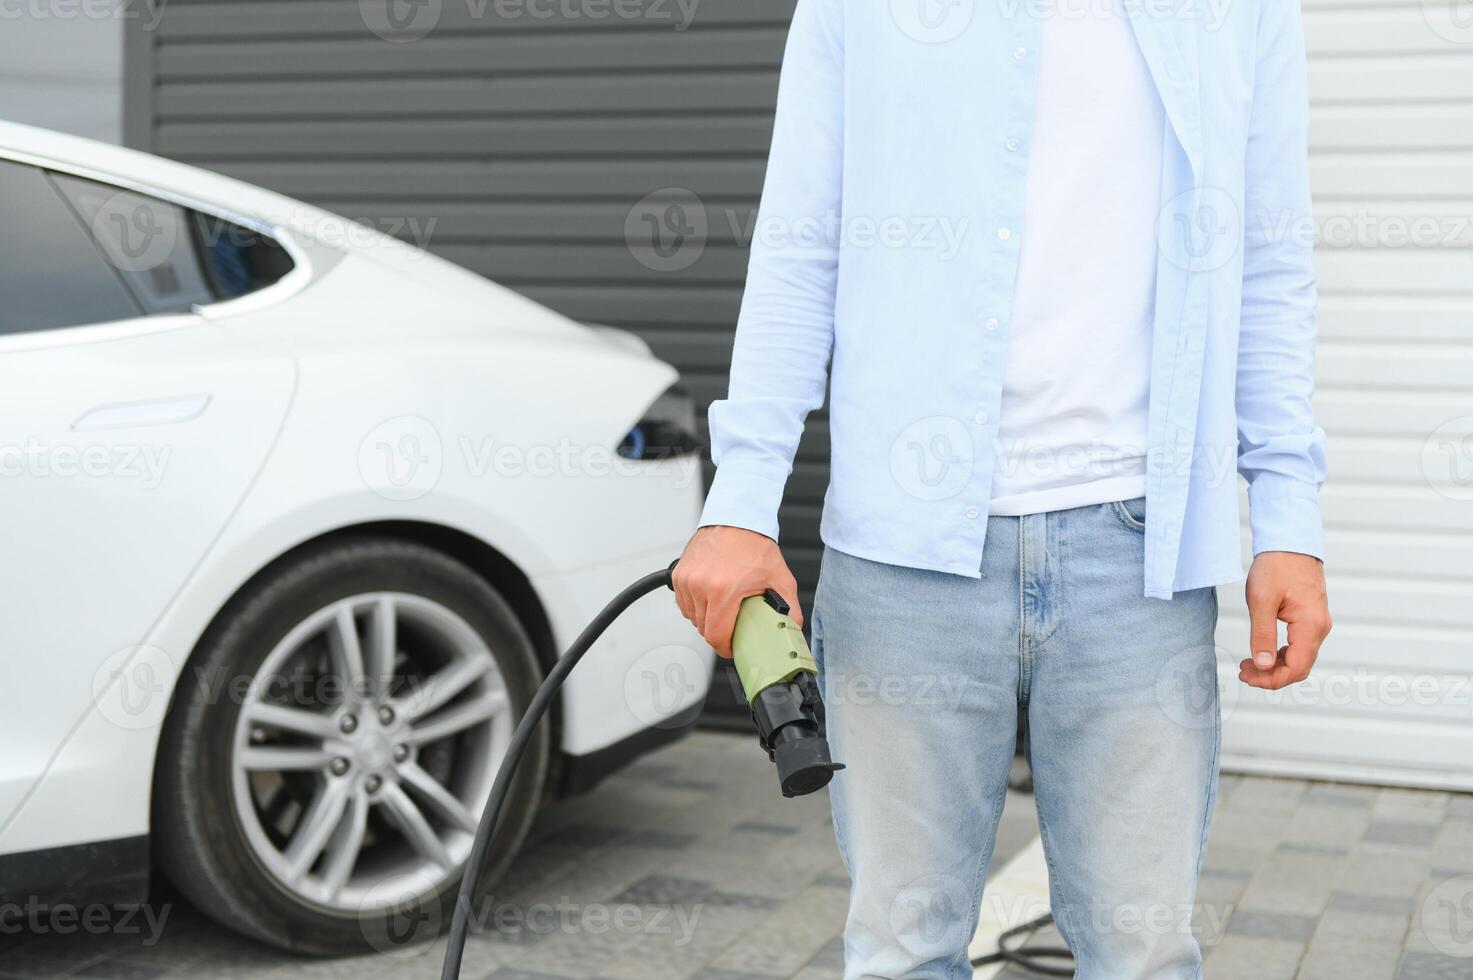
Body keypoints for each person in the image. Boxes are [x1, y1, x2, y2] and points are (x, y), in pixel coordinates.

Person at [671, 1, 1333, 977]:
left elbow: (1271, 260)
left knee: (1142, 952)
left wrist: (1287, 512)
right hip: (906, 557)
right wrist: (739, 500)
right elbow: (800, 242)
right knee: (901, 950)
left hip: (1135, 553)